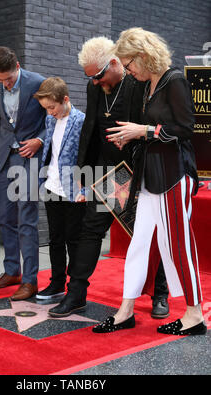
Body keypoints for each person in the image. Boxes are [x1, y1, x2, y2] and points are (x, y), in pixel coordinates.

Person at [93, 27, 206, 336]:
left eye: (129, 64)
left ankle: (195, 315)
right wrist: (133, 135)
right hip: (151, 176)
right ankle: (125, 311)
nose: (128, 71)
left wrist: (142, 131)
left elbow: (185, 129)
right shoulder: (149, 85)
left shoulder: (175, 81)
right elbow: (154, 129)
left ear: (142, 56)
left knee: (178, 246)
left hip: (173, 176)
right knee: (139, 245)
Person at [49, 37, 169, 318]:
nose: (94, 82)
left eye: (98, 75)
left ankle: (159, 295)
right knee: (89, 231)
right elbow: (89, 128)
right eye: (89, 77)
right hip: (105, 171)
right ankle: (76, 294)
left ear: (115, 63)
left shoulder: (139, 83)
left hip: (138, 172)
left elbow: (153, 128)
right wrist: (82, 172)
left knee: (149, 235)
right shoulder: (96, 88)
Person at [0, 46, 46, 301]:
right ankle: (12, 271)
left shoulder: (38, 82)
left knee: (27, 218)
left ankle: (30, 281)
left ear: (18, 66)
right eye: (1, 80)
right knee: (6, 218)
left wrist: (39, 141)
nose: (6, 84)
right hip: (4, 158)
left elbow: (52, 120)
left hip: (30, 158)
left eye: (9, 78)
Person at [33, 77, 86, 300]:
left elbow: (86, 156)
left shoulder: (82, 120)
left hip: (74, 190)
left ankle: (75, 289)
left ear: (65, 99)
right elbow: (51, 152)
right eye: (46, 108)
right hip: (52, 185)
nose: (50, 112)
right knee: (55, 239)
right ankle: (56, 283)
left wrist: (85, 189)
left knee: (73, 240)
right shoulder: (50, 120)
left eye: (52, 107)